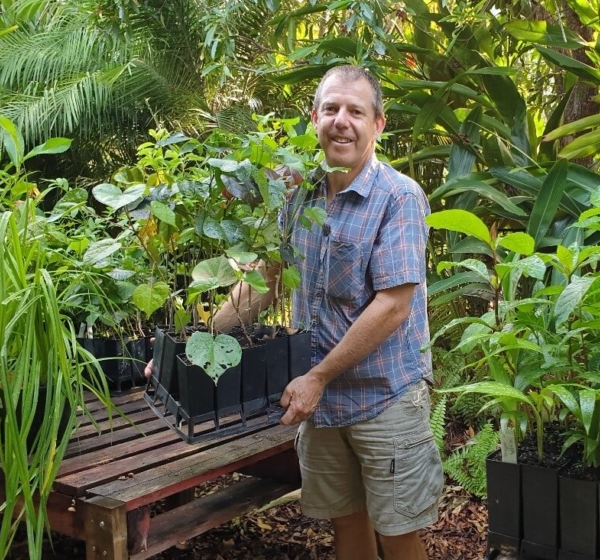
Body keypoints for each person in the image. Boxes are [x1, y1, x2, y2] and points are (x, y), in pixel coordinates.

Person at [149, 65, 442, 560]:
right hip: (322, 402)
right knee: (346, 520)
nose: (341, 121)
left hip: (384, 396)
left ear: (378, 124)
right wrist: (187, 352)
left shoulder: (399, 197)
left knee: (397, 531)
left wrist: (318, 377)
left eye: (355, 111)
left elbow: (393, 306)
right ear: (314, 118)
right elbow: (263, 279)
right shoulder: (298, 193)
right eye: (331, 109)